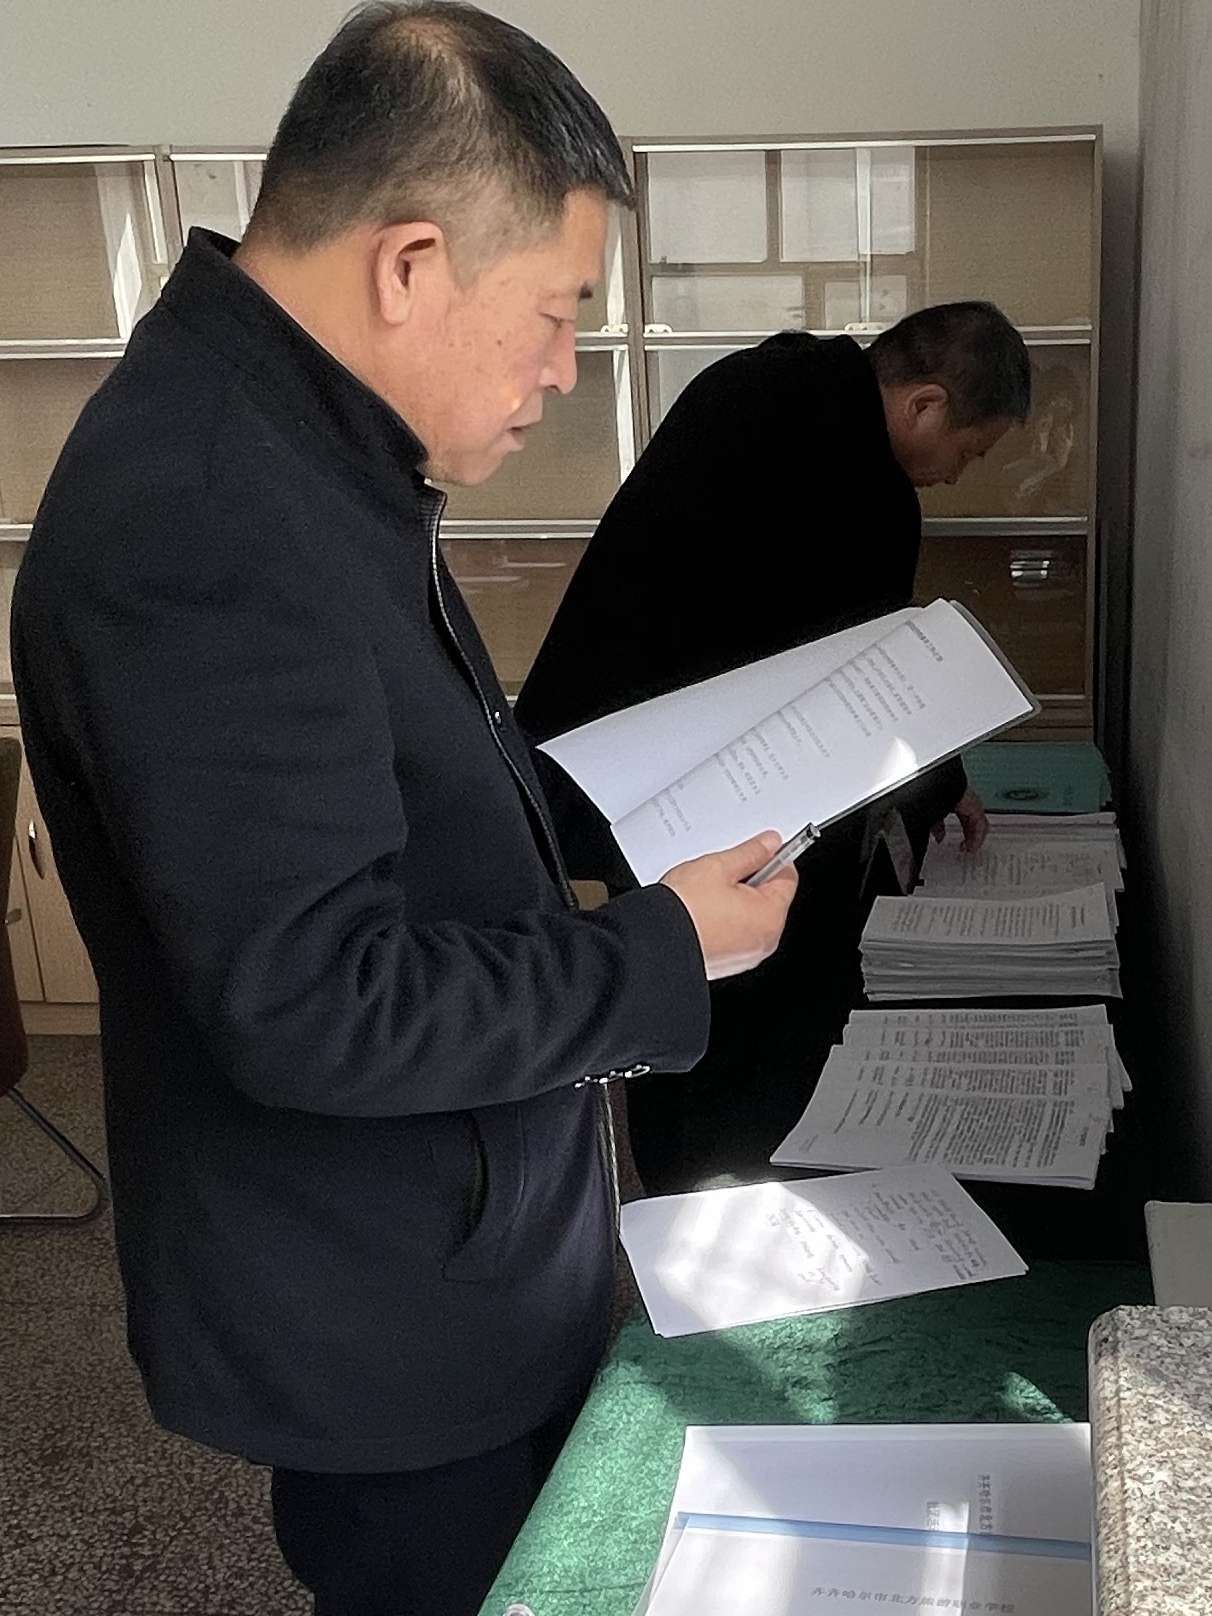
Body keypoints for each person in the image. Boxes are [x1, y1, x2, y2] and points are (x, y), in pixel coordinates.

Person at [10, 7, 796, 1613]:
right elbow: (316, 1002)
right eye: (557, 313)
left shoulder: (307, 444)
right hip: (379, 1306)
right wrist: (665, 953)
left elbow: (398, 785)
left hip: (461, 1237)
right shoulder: (206, 508)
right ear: (412, 265)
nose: (564, 369)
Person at [516, 303, 1032, 1193]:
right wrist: (936, 782)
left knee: (673, 962)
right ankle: (713, 1187)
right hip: (721, 786)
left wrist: (941, 783)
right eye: (970, 451)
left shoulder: (755, 382)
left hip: (620, 754)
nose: (956, 474)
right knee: (750, 994)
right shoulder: (861, 487)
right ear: (925, 404)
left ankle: (675, 1180)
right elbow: (868, 681)